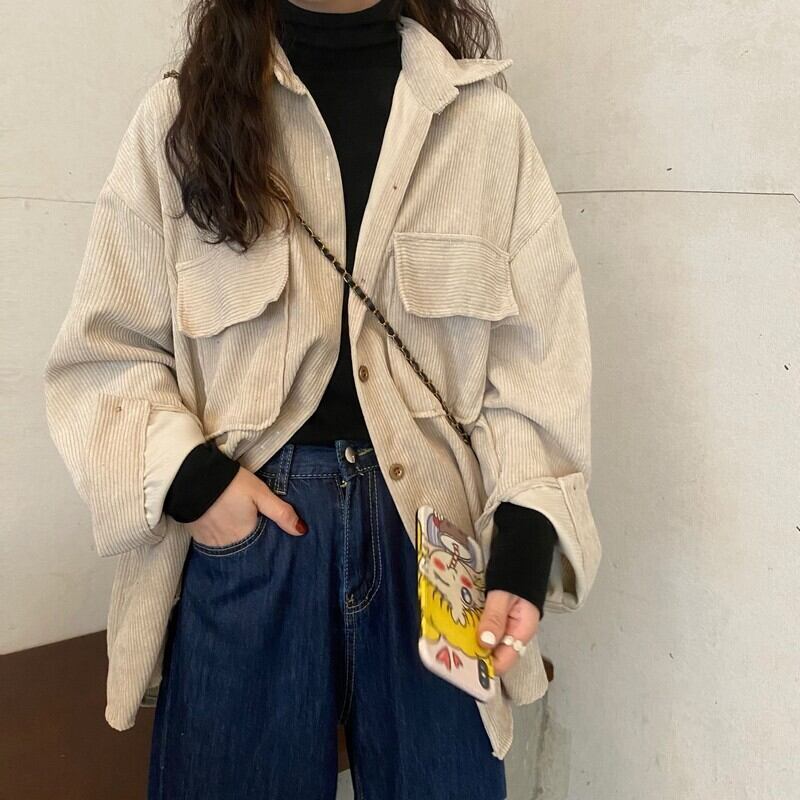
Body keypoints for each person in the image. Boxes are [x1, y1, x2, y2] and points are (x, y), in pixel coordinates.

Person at [43, 1, 602, 798]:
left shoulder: (482, 126)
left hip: (434, 547)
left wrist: (525, 528)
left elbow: (539, 357)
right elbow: (106, 346)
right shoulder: (183, 115)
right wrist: (194, 484)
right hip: (251, 535)